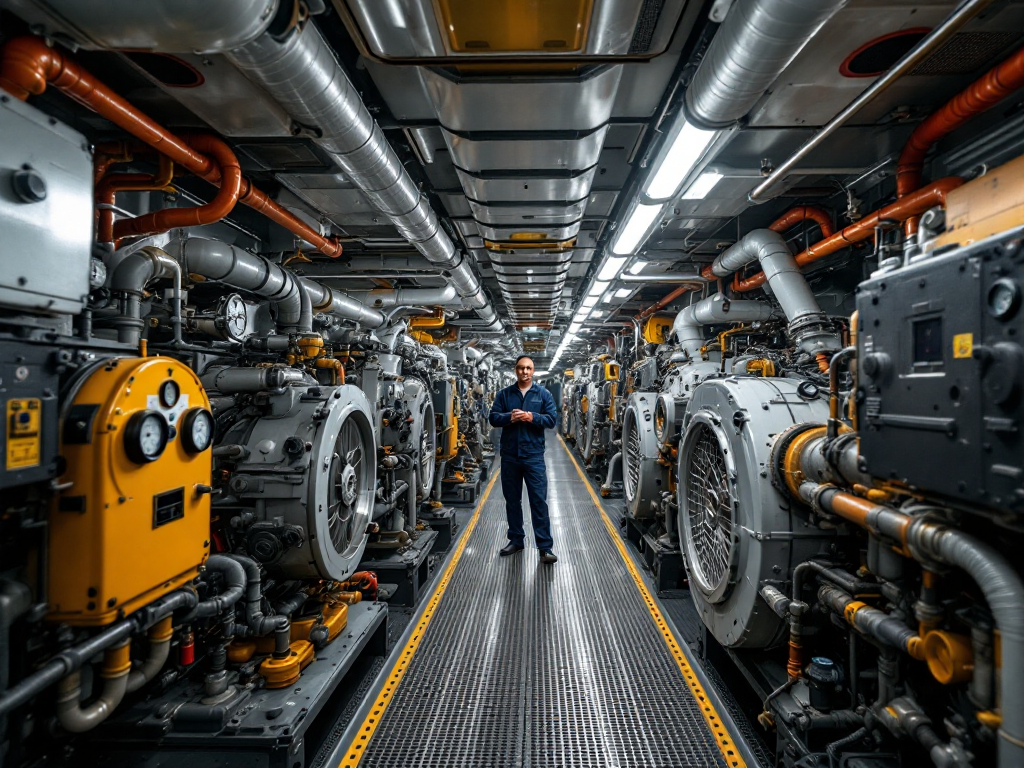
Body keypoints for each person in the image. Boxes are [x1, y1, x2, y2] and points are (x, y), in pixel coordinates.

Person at [488, 355, 559, 563]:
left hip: (533, 456)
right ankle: (516, 540)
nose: (524, 372)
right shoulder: (504, 394)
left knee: (538, 501)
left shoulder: (543, 394)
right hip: (510, 455)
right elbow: (493, 418)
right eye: (521, 368)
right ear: (516, 370)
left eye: (528, 368)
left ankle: (545, 547)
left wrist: (531, 417)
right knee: (512, 500)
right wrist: (510, 417)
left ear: (533, 371)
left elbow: (552, 420)